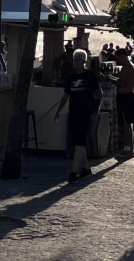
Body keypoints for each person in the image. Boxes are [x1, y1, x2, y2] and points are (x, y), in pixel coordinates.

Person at [54, 49, 97, 183]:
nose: (75, 62)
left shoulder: (90, 75)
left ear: (84, 61)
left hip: (85, 113)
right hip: (73, 112)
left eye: (78, 59)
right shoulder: (71, 77)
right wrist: (58, 110)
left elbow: (99, 94)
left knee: (79, 143)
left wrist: (95, 111)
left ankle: (73, 173)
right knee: (78, 142)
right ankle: (86, 168)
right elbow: (66, 94)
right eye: (74, 59)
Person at [113, 47, 134, 159]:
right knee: (128, 125)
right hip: (128, 96)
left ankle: (127, 149)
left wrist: (109, 77)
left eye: (118, 58)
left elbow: (121, 82)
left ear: (123, 56)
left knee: (126, 125)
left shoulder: (127, 67)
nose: (117, 61)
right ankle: (128, 149)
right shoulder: (131, 66)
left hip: (125, 97)